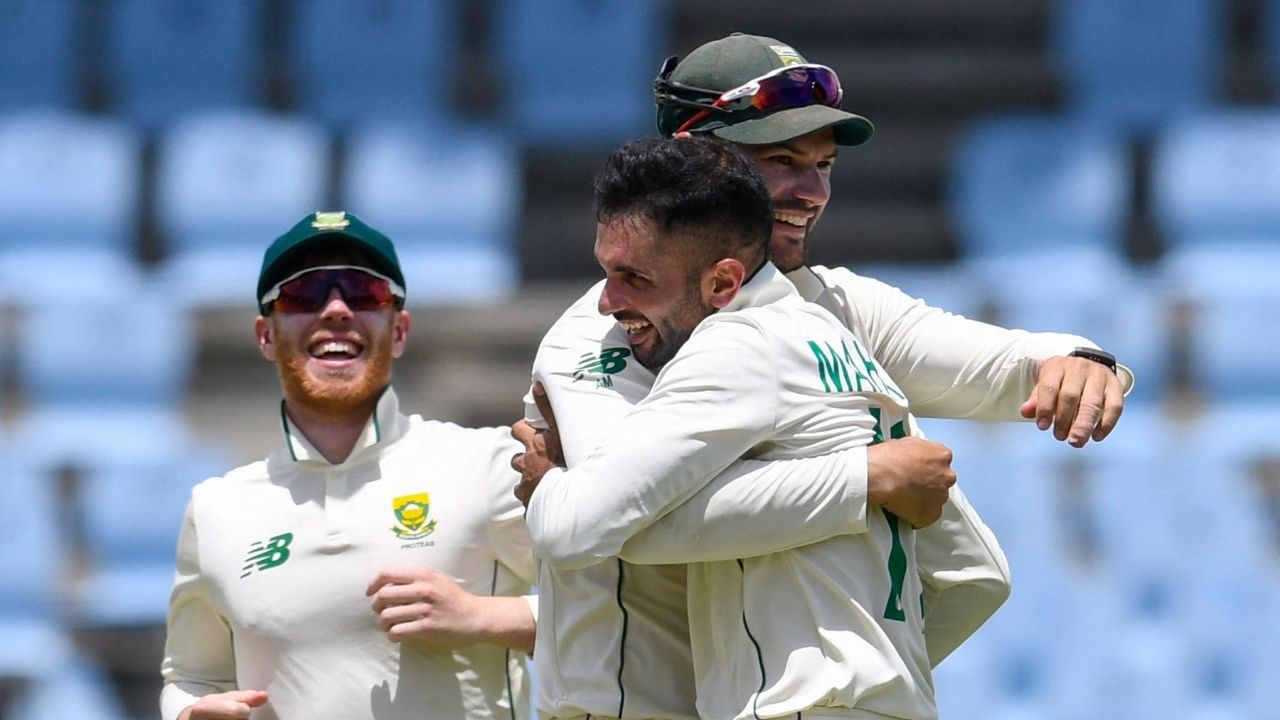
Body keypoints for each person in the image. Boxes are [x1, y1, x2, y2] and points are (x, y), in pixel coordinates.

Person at [513, 33, 1134, 720]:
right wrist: (868, 480)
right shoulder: (598, 335)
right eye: (781, 160)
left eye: (824, 164)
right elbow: (621, 522)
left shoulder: (825, 307)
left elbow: (1001, 365)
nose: (810, 192)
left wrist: (1081, 362)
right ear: (698, 163)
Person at [519, 135, 971, 719]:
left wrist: (551, 481)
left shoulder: (738, 343)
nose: (606, 303)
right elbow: (977, 577)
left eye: (634, 277)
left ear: (723, 285)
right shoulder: (841, 345)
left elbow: (572, 528)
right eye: (606, 272)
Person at [160, 211, 537, 720]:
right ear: (265, 335)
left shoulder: (489, 465)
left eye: (364, 293)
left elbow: (621, 608)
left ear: (399, 330)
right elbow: (191, 676)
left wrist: (482, 615)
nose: (336, 309)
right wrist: (188, 714)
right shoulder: (216, 508)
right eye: (303, 294)